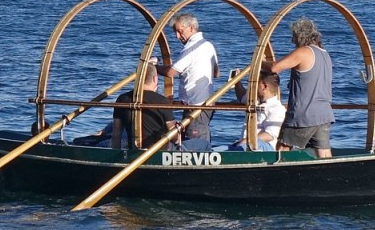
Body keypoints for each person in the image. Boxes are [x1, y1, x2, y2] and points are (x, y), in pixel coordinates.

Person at [264, 18, 335, 158]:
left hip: (304, 114)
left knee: (282, 148)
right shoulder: (325, 54)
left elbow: (275, 68)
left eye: (294, 37)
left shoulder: (303, 52)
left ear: (300, 36)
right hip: (324, 113)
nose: (293, 41)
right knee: (324, 154)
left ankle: (278, 176)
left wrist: (261, 64)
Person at [156, 12, 218, 145]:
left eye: (180, 31)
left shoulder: (190, 48)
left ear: (191, 28)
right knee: (200, 137)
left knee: (194, 143)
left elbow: (171, 73)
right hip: (207, 103)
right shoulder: (208, 45)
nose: (177, 36)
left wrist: (154, 67)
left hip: (195, 105)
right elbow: (217, 72)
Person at [111, 65, 178, 150]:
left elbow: (116, 134)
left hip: (133, 150)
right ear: (155, 78)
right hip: (157, 153)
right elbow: (174, 137)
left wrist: (116, 152)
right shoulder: (162, 101)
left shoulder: (122, 99)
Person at [226, 71, 285, 151]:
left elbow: (269, 135)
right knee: (215, 150)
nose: (251, 87)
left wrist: (247, 140)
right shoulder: (254, 102)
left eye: (254, 84)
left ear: (264, 87)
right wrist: (237, 81)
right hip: (245, 143)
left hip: (264, 146)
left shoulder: (277, 108)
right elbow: (242, 96)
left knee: (241, 148)